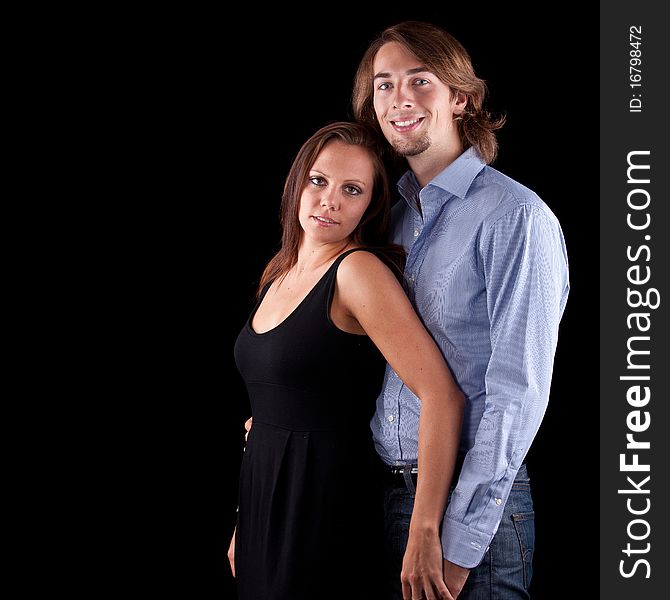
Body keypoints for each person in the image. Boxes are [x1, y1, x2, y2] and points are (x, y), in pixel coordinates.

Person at [351, 21, 570, 599]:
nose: (399, 99)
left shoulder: (514, 217)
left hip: (473, 509)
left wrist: (461, 539)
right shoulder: (390, 220)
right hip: (393, 495)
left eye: (419, 81)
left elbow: (517, 390)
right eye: (383, 84)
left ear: (461, 98)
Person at [228, 121, 465, 600]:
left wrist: (424, 529)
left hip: (320, 498)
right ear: (298, 182)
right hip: (262, 497)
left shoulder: (357, 271)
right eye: (319, 181)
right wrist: (243, 517)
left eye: (351, 190)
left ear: (369, 207)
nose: (329, 200)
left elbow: (442, 395)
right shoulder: (279, 272)